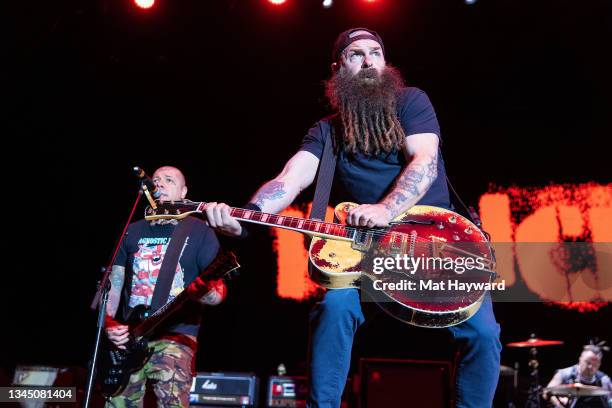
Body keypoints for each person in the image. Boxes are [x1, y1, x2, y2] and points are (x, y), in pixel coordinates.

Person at [205, 28, 501, 408]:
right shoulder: (326, 131)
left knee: (482, 332)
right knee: (334, 307)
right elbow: (290, 179)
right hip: (366, 249)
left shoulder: (411, 102)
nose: (367, 61)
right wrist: (247, 217)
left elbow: (425, 162)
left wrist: (385, 209)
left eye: (375, 53)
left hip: (433, 242)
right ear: (337, 67)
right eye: (356, 54)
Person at [105, 166, 226, 408]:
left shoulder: (199, 231)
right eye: (156, 180)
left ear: (183, 192)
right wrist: (109, 324)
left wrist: (204, 292)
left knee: (171, 401)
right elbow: (114, 286)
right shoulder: (133, 230)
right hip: (130, 337)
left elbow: (220, 294)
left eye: (169, 180)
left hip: (176, 335)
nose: (159, 184)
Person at [545, 345, 612, 408]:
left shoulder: (603, 379)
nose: (590, 367)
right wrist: (559, 404)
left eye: (595, 364)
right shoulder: (564, 374)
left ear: (599, 364)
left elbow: (610, 399)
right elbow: (546, 392)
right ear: (580, 359)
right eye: (588, 362)